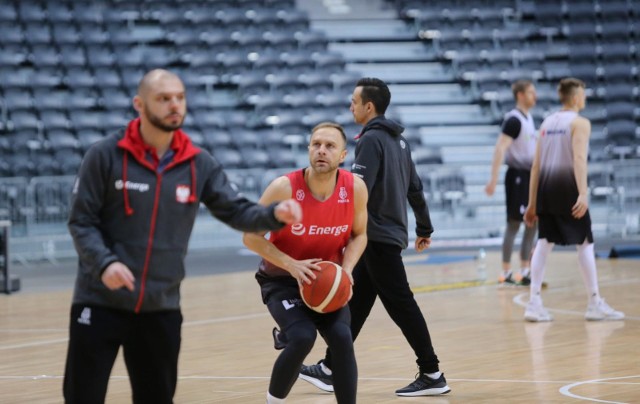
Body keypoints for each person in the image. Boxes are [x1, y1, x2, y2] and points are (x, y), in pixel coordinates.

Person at [63, 69, 302, 404]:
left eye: (179, 97)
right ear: (139, 104)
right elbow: (81, 221)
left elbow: (234, 210)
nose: (174, 105)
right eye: (163, 99)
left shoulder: (197, 163)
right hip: (99, 302)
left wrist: (272, 215)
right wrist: (104, 265)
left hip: (161, 307)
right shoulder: (104, 156)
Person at [299, 78, 450, 397]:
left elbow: (355, 189)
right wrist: (424, 227)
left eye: (354, 101)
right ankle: (330, 367)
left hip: (376, 235)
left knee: (401, 303)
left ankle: (432, 371)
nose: (350, 106)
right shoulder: (400, 142)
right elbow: (415, 187)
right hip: (388, 233)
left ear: (369, 107)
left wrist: (333, 229)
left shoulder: (370, 140)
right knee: (358, 301)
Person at [243, 122, 368, 404]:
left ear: (343, 155)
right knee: (302, 337)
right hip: (282, 279)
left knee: (341, 338)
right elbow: (250, 237)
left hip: (327, 280)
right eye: (316, 144)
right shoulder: (284, 188)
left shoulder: (355, 189)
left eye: (330, 146)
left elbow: (360, 235)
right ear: (309, 149)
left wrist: (346, 272)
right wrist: (291, 265)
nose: (321, 151)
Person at [523, 77, 624, 322]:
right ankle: (594, 302)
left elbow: (536, 166)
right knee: (586, 243)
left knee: (544, 242)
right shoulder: (580, 123)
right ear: (576, 97)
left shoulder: (546, 122)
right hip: (568, 189)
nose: (585, 98)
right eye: (584, 94)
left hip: (546, 189)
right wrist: (583, 193)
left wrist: (532, 202)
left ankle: (534, 302)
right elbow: (579, 159)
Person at [485, 80, 539, 286]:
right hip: (517, 176)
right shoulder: (514, 120)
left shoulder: (529, 118)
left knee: (532, 220)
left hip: (529, 176)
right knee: (515, 223)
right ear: (520, 95)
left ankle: (525, 269)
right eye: (531, 92)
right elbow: (500, 148)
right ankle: (506, 271)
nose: (535, 96)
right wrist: (493, 179)